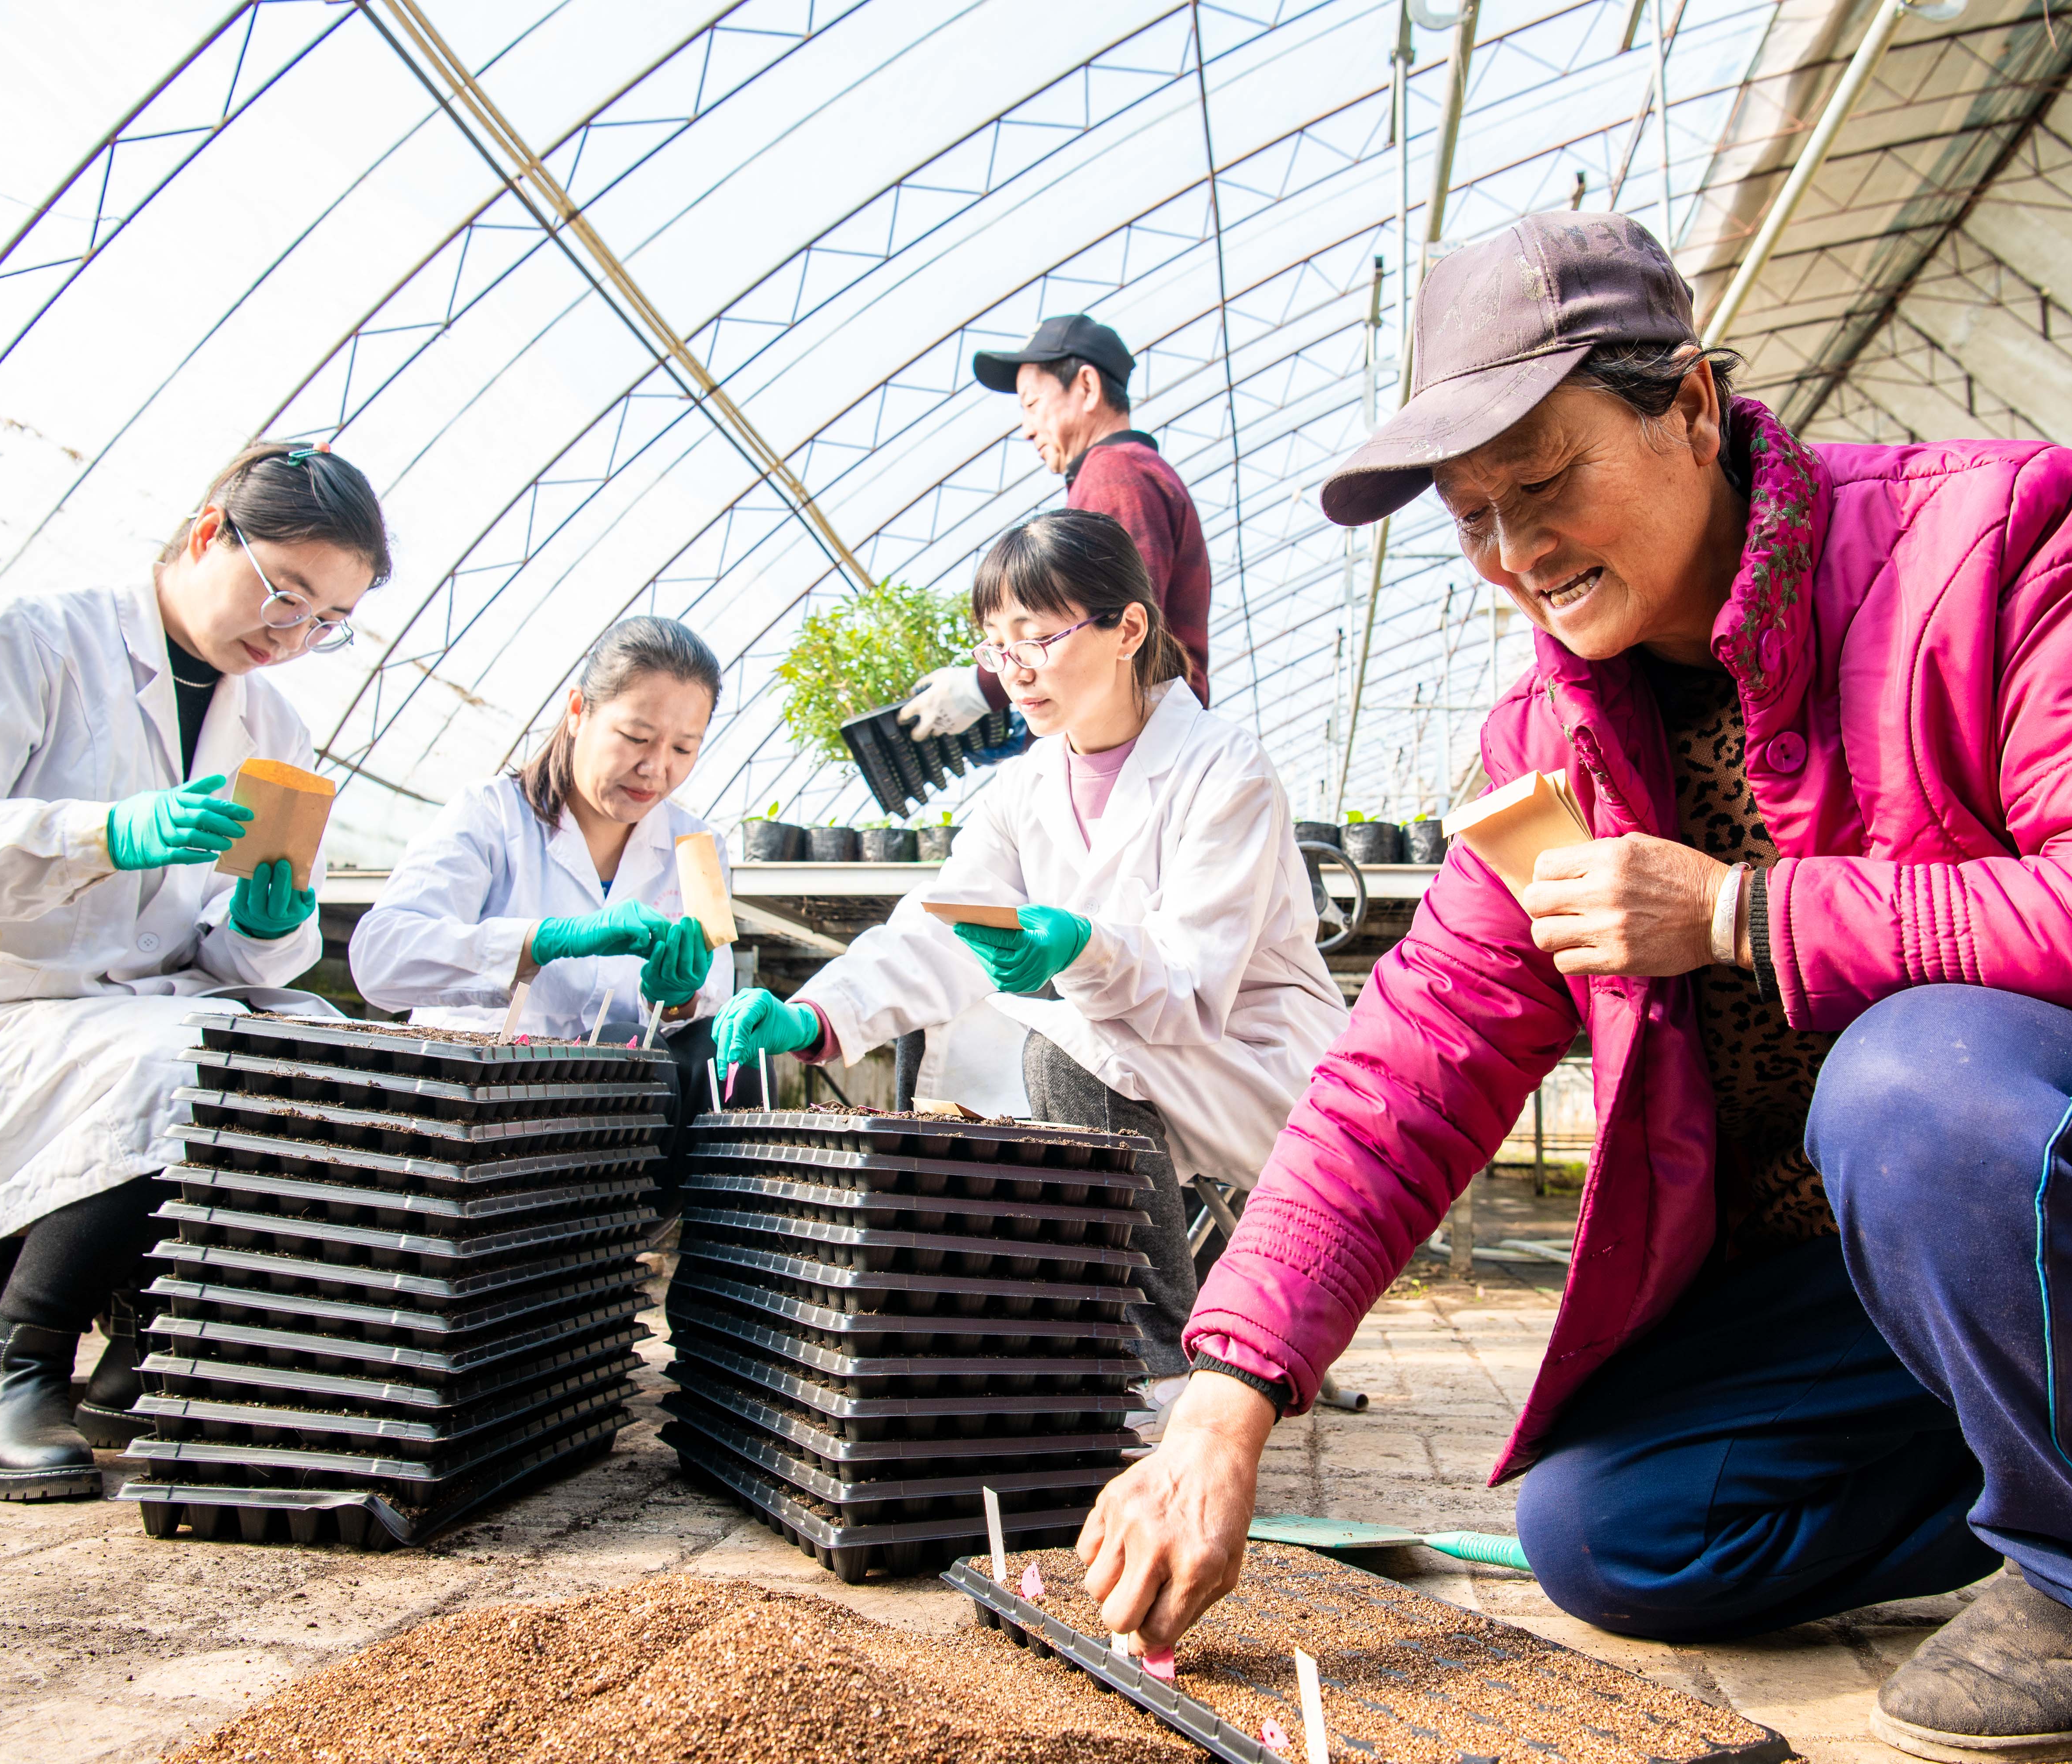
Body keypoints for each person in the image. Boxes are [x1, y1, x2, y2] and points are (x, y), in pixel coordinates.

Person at [1076, 211, 2072, 1763]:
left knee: (1909, 1073)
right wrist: (1228, 1401)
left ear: (1690, 405)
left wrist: (1745, 911)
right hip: (1923, 1246)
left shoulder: (1994, 538)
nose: (1516, 554)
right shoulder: (1549, 746)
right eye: (1471, 517)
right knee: (1610, 1532)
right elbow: (1406, 1070)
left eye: (1545, 481)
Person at [0, 440, 390, 1500]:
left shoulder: (268, 720)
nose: (294, 632)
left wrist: (270, 925)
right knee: (191, 1059)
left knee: (322, 1046)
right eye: (286, 592)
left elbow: (214, 947)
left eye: (328, 622)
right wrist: (104, 833)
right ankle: (13, 1362)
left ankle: (154, 1350)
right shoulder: (35, 639)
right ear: (202, 533)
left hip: (126, 1016)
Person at [712, 509, 1343, 1393]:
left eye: (1036, 637)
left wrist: (1079, 946)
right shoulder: (1026, 785)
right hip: (1137, 1052)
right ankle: (1036, 1343)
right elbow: (938, 927)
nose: (1014, 669)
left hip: (1247, 1055)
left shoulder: (1221, 765)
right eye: (996, 645)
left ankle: (1162, 1368)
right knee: (967, 1044)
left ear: (1127, 628)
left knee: (1063, 1056)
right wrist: (815, 1012)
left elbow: (1194, 982)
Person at [348, 615, 733, 1161]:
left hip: (616, 1133)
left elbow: (707, 1003)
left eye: (683, 749)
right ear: (578, 712)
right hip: (482, 1112)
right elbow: (380, 960)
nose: (654, 768)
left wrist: (678, 1000)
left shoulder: (697, 847)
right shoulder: (489, 815)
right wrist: (541, 941)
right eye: (635, 737)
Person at [899, 315, 1215, 746]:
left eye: (1031, 405)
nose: (1027, 429)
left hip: (1143, 747)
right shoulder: (1127, 472)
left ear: (1086, 388)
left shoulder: (1113, 474)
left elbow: (1107, 614)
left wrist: (982, 688)